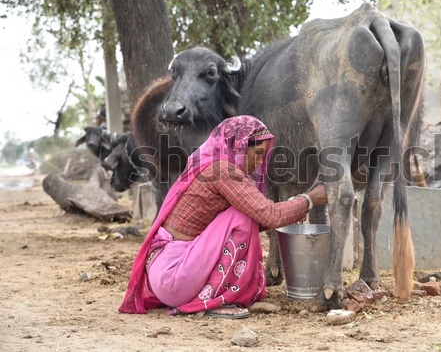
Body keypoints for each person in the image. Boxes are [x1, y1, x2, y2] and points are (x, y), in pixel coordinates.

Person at [119, 115, 327, 319]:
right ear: (239, 147)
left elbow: (262, 218)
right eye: (257, 153)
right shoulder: (223, 171)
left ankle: (211, 294)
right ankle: (215, 299)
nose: (261, 161)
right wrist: (309, 199)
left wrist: (295, 205)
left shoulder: (210, 165)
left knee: (246, 215)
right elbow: (270, 216)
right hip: (175, 276)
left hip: (165, 275)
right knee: (241, 217)